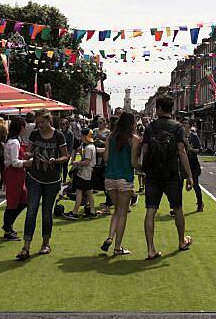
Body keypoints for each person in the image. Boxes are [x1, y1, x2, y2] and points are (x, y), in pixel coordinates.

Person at [141, 95, 194, 259]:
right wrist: (189, 175)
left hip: (153, 175)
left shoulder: (150, 128)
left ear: (158, 109)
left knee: (150, 211)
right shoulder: (177, 127)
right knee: (177, 208)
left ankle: (150, 249)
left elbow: (145, 151)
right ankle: (181, 241)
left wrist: (144, 169)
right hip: (172, 173)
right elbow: (181, 151)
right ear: (172, 109)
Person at [17, 111, 69, 261]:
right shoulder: (35, 134)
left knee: (47, 213)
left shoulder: (58, 135)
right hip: (35, 177)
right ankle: (26, 247)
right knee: (31, 211)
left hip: (52, 180)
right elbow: (29, 151)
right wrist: (27, 154)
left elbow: (66, 156)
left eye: (42, 122)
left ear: (49, 120)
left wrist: (56, 160)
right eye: (37, 122)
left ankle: (46, 243)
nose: (39, 125)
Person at [100, 112, 139, 256]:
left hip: (109, 178)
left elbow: (105, 158)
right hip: (124, 179)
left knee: (117, 210)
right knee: (123, 213)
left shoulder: (110, 137)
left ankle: (110, 237)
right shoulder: (134, 139)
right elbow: (134, 163)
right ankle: (117, 247)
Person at [1, 117, 30, 240]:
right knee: (13, 203)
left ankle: (8, 225)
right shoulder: (14, 142)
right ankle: (8, 229)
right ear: (21, 127)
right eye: (24, 126)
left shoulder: (15, 140)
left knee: (24, 200)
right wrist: (27, 162)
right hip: (14, 174)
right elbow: (14, 162)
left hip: (17, 174)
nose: (26, 128)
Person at [64, 129, 97, 219]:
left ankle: (75, 212)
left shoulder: (89, 148)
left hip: (85, 173)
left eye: (82, 136)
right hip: (88, 173)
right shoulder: (90, 146)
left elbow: (86, 162)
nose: (81, 137)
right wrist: (80, 153)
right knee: (89, 192)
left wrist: (76, 163)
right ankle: (92, 211)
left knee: (79, 192)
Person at [182, 119, 204, 212]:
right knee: (178, 185)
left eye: (185, 123)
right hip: (182, 163)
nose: (183, 124)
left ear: (190, 126)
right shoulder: (179, 136)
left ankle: (200, 203)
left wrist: (190, 148)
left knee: (195, 185)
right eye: (182, 123)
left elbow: (199, 150)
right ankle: (176, 207)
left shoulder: (194, 136)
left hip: (193, 163)